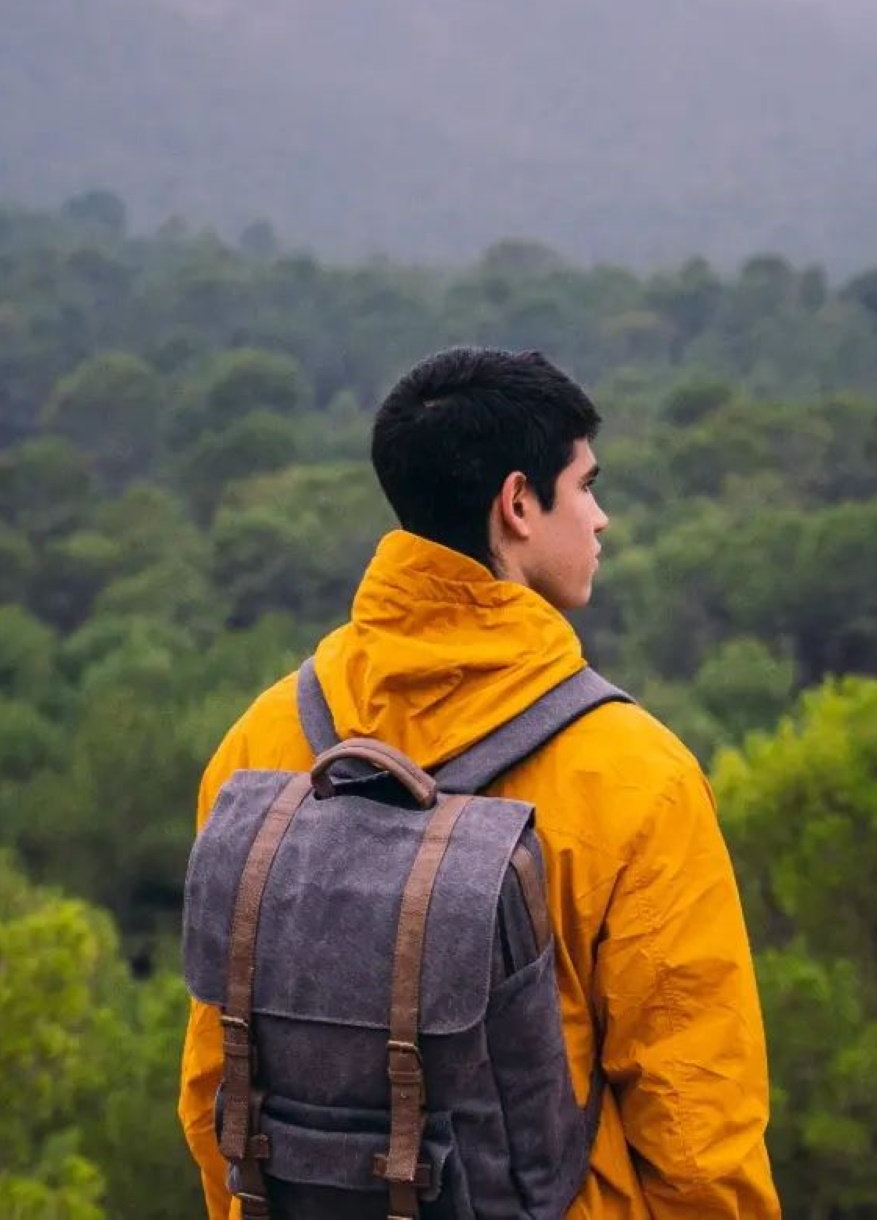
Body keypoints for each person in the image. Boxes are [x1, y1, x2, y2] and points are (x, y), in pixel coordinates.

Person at [177, 346, 781, 1217]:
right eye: (585, 486)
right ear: (518, 504)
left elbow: (214, 1085)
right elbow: (698, 1128)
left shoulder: (262, 741)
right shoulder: (636, 774)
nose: (602, 518)